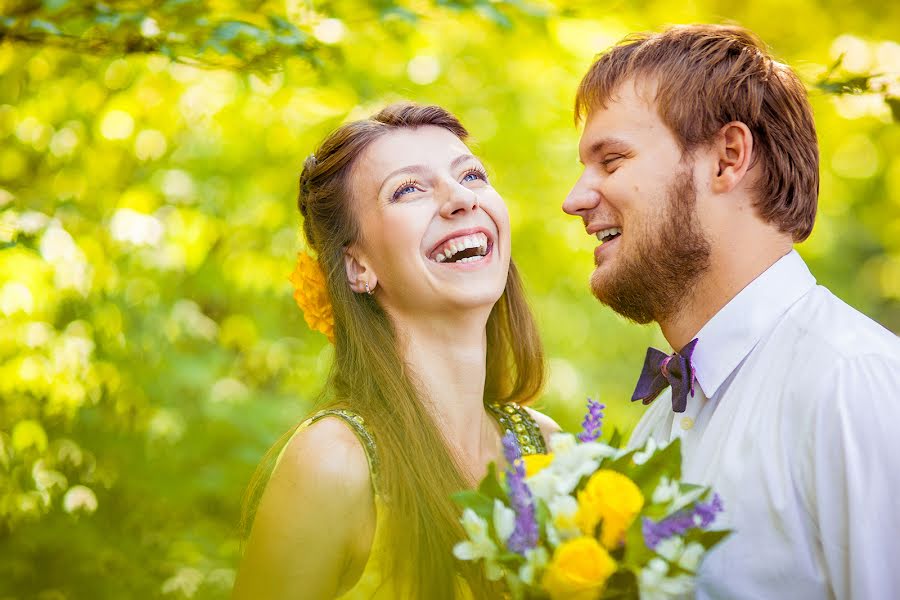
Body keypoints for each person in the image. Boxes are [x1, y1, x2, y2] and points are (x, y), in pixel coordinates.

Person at [562, 24, 900, 599]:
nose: (574, 199)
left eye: (612, 160)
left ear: (727, 158)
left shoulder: (852, 383)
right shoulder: (655, 427)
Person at [232, 103, 559, 599]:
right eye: (408, 189)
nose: (460, 199)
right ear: (356, 266)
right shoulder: (334, 464)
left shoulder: (551, 450)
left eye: (471, 174)